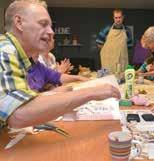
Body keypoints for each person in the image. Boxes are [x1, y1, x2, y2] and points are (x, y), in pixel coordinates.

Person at [0, 0, 120, 129]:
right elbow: (18, 114)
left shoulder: (24, 59)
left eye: (51, 26)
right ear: (19, 23)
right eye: (43, 24)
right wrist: (91, 92)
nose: (51, 32)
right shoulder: (4, 51)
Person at [96, 9, 133, 74]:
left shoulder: (127, 31)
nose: (118, 20)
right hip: (108, 62)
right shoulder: (106, 29)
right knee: (107, 80)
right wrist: (107, 52)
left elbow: (129, 47)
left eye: (119, 17)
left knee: (121, 81)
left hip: (121, 62)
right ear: (113, 18)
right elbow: (99, 43)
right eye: (116, 18)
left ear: (123, 17)